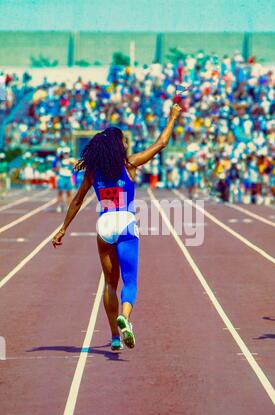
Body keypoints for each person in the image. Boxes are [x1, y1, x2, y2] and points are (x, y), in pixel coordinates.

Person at [52, 103, 182, 351]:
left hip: (104, 224)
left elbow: (78, 201)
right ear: (117, 144)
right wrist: (173, 117)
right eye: (123, 141)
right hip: (125, 221)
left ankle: (114, 336)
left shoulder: (93, 171)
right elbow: (160, 144)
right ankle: (126, 317)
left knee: (109, 283)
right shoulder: (130, 165)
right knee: (129, 281)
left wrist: (63, 228)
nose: (126, 145)